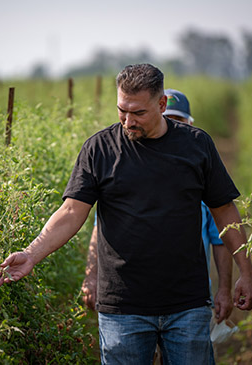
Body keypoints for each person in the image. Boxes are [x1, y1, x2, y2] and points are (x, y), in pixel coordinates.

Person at [0, 64, 252, 364]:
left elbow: (224, 212)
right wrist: (31, 254)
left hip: (187, 304)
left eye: (138, 113)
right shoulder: (99, 150)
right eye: (122, 110)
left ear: (161, 104)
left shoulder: (196, 146)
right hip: (123, 308)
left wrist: (245, 273)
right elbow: (70, 212)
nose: (128, 121)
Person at [81, 89, 234, 327]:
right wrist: (91, 274)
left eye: (178, 121)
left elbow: (221, 237)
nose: (172, 126)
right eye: (168, 119)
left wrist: (225, 287)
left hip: (187, 297)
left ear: (190, 123)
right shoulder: (120, 160)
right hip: (131, 300)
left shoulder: (198, 170)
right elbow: (99, 227)